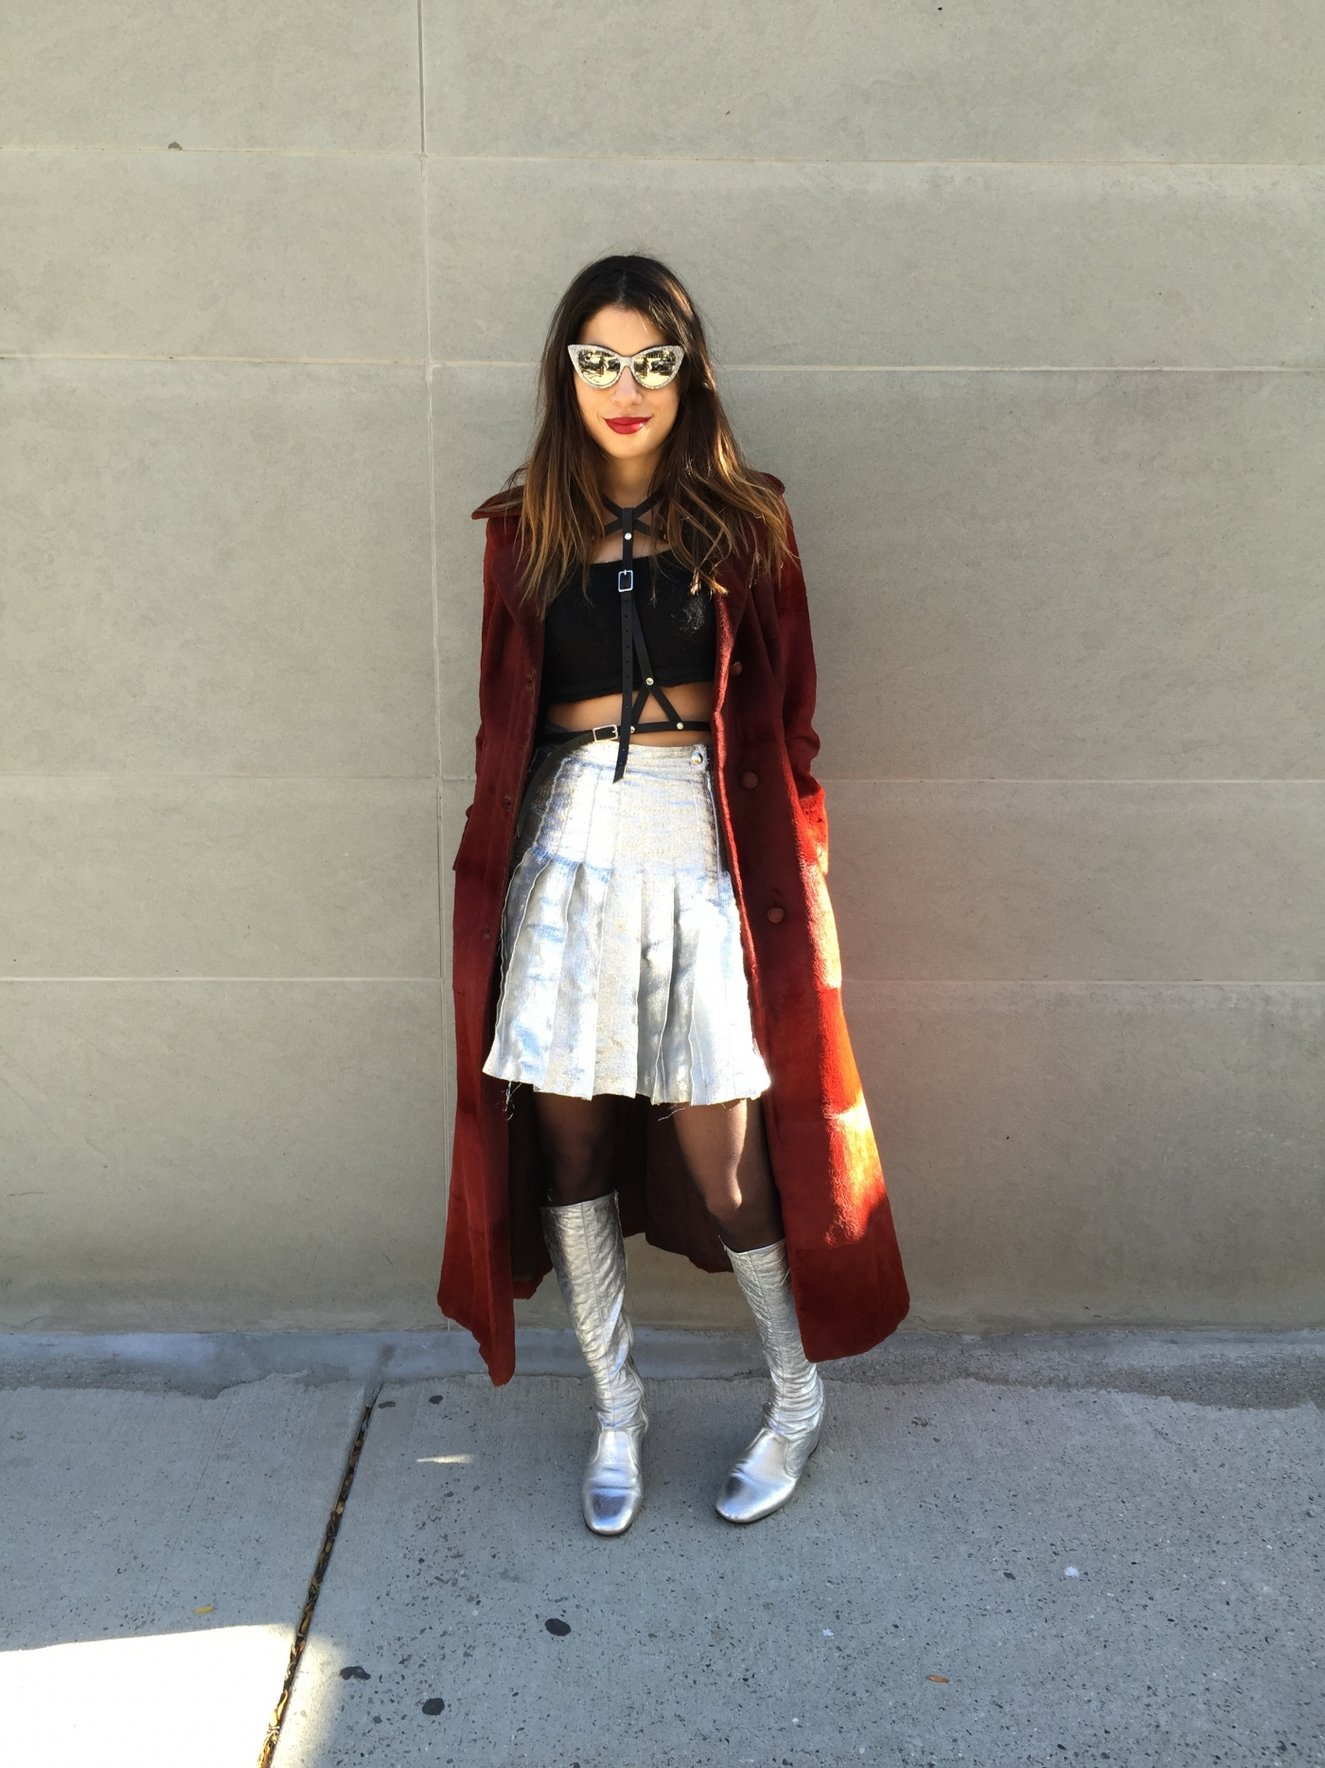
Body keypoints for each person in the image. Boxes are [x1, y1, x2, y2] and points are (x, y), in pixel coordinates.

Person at [439, 253, 909, 1535]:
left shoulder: (747, 523)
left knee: (723, 1148)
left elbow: (789, 719)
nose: (624, 387)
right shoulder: (521, 530)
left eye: (649, 360)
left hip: (699, 840)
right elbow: (501, 723)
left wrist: (797, 866)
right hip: (564, 847)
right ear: (566, 374)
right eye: (598, 359)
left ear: (686, 373)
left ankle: (795, 1396)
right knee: (570, 1139)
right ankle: (615, 1405)